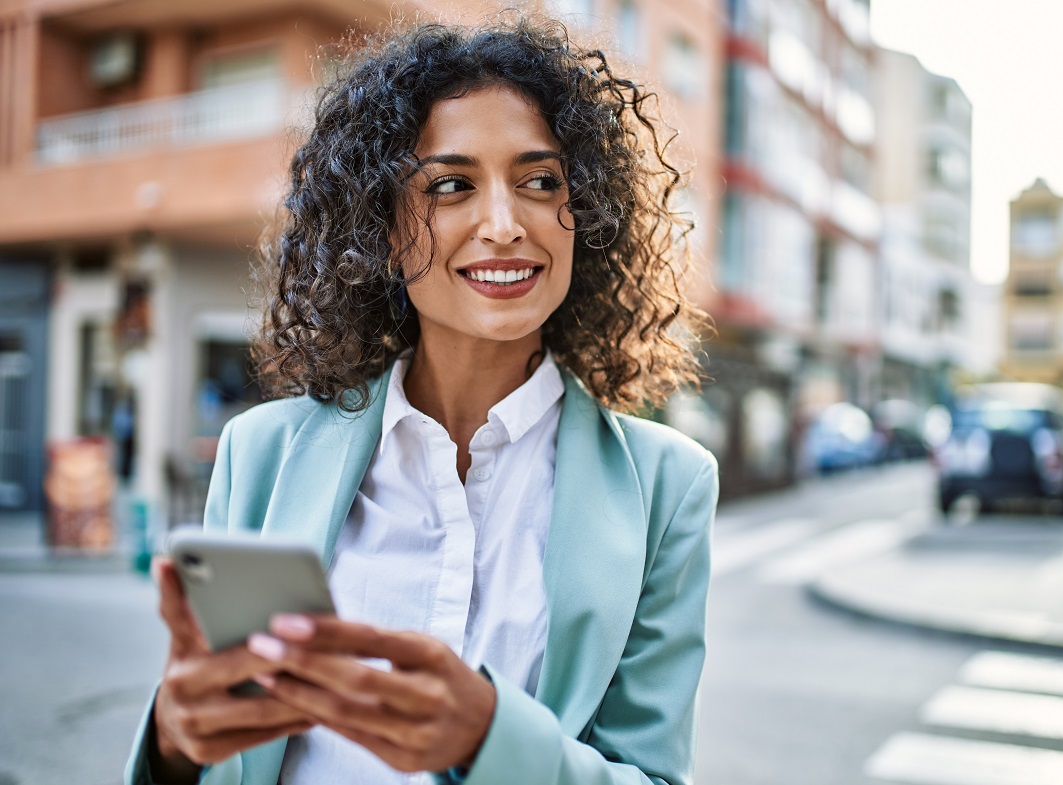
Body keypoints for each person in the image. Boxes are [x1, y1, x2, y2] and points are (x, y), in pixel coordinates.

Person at [125, 14, 718, 785]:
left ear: (590, 212)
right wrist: (173, 741)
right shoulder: (262, 452)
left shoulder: (667, 488)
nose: (505, 224)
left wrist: (488, 737)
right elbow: (222, 743)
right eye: (450, 185)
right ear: (382, 222)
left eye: (542, 181)